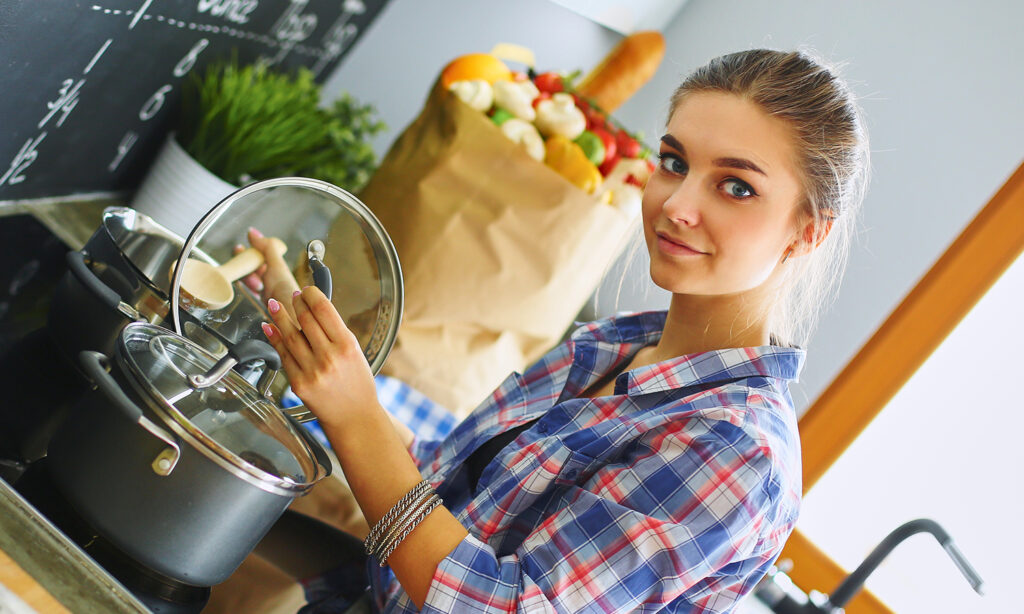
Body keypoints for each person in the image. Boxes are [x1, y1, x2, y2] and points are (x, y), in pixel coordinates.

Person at [249, 48, 869, 613]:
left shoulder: (736, 450)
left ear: (809, 230)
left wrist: (358, 416)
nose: (678, 204)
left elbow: (498, 606)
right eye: (674, 162)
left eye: (736, 187)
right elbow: (441, 493)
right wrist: (321, 352)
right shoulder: (614, 343)